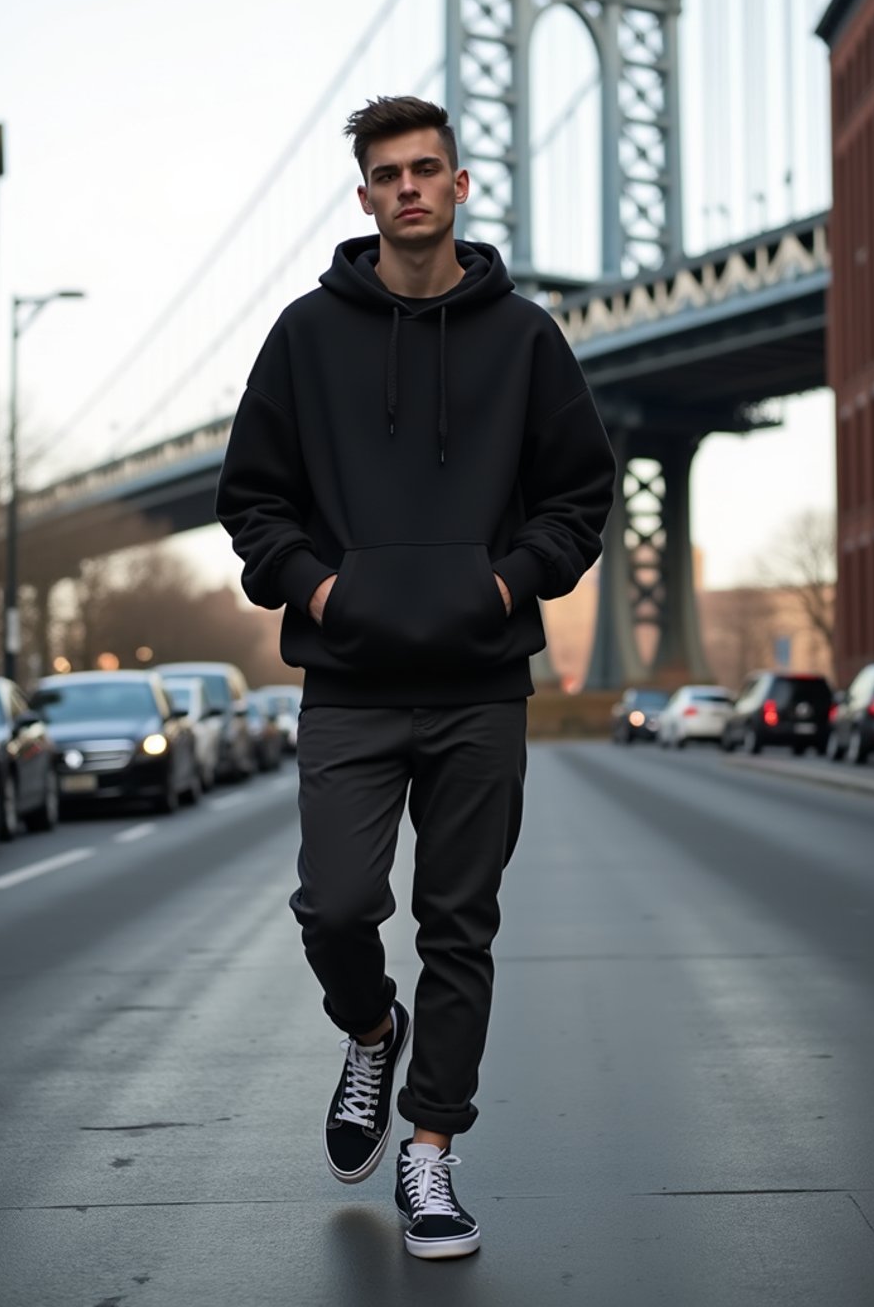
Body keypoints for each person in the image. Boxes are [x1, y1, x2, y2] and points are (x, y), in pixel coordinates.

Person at [216, 95, 615, 1260]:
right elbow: (252, 500)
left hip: (480, 681)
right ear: (364, 198)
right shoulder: (304, 335)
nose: (407, 188)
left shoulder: (526, 337)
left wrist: (501, 588)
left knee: (459, 923)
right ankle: (368, 1027)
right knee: (335, 904)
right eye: (386, 173)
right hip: (348, 679)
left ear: (459, 185)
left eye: (425, 169)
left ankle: (430, 1153)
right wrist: (325, 590)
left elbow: (575, 497)